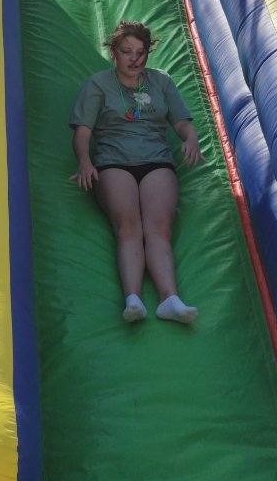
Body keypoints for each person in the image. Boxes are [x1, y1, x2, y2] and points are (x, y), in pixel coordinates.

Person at [70, 20, 203, 324]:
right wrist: (85, 162)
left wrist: (191, 139)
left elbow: (182, 123)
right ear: (114, 53)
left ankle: (170, 299)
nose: (134, 59)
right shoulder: (98, 85)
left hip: (155, 160)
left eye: (140, 52)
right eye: (126, 51)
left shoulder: (161, 82)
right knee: (128, 228)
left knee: (158, 229)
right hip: (113, 161)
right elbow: (83, 132)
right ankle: (133, 298)